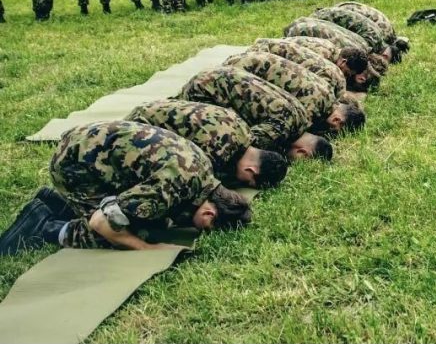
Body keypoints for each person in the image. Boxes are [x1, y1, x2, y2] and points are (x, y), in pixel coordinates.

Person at [0, 121, 251, 254]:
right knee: (124, 232)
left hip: (88, 146)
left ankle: (56, 202)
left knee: (150, 217)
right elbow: (102, 222)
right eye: (205, 227)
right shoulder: (171, 189)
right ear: (209, 213)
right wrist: (147, 249)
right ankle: (44, 226)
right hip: (74, 167)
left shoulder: (204, 171)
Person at [127, 100, 288, 188]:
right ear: (250, 170)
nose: (242, 182)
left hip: (151, 108)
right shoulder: (217, 154)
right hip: (139, 126)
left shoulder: (244, 131)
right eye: (247, 181)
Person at [178, 66, 329, 160]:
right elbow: (241, 144)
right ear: (303, 152)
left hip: (220, 72)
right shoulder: (280, 130)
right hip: (204, 88)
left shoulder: (302, 115)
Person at [221, 51, 364, 134]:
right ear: (337, 120)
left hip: (252, 57)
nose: (331, 130)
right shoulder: (311, 108)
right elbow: (287, 128)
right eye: (335, 130)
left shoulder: (328, 93)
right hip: (239, 68)